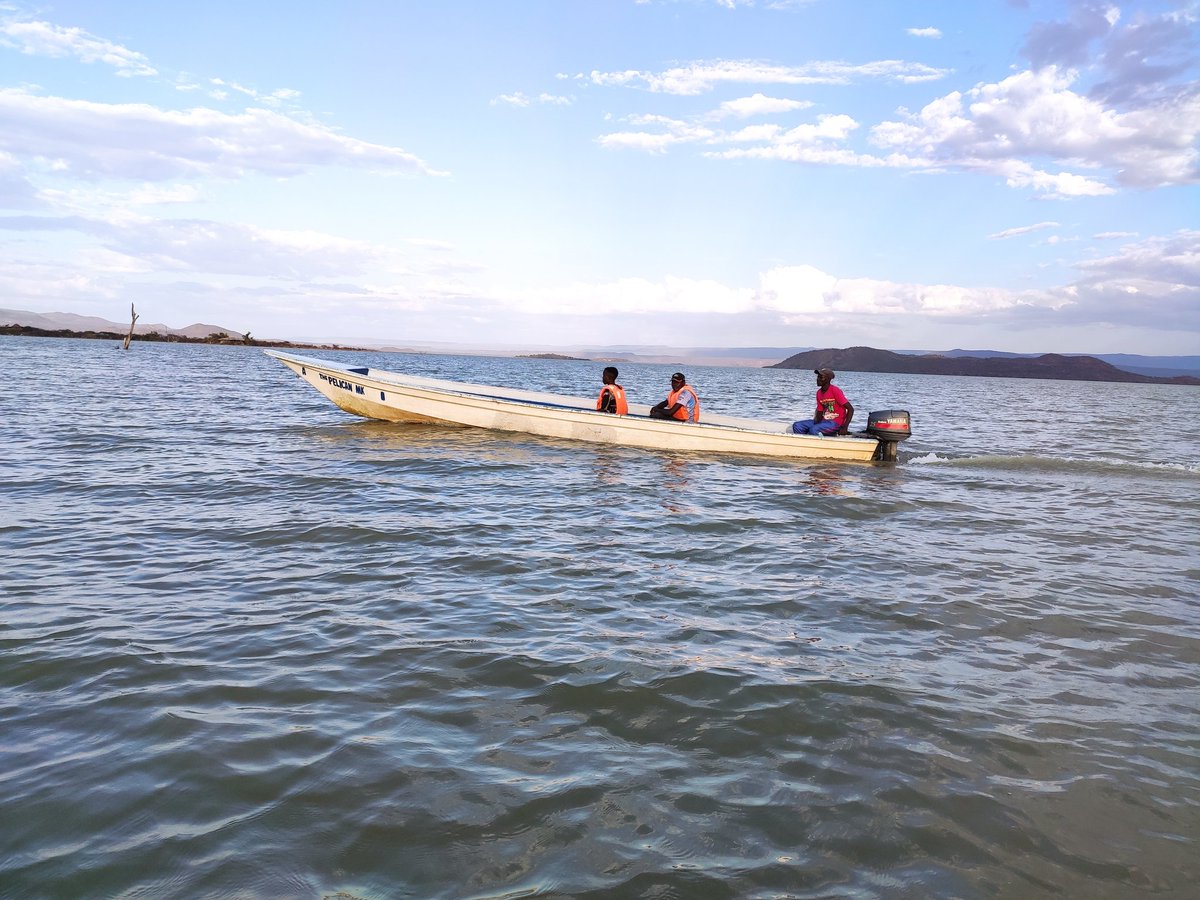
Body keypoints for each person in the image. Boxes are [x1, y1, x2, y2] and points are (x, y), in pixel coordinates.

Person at [792, 368, 854, 435]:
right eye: (818, 377)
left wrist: (845, 427)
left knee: (814, 429)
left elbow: (850, 409)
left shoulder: (835, 390)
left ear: (828, 379)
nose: (818, 379)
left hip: (835, 423)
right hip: (823, 421)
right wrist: (816, 422)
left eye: (821, 377)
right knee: (797, 426)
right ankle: (807, 440)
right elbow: (820, 411)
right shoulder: (819, 393)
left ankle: (820, 438)